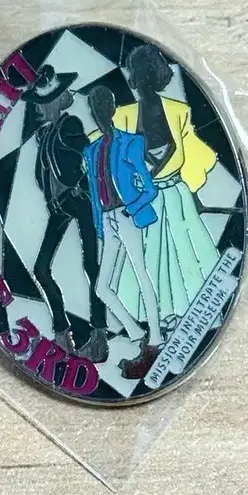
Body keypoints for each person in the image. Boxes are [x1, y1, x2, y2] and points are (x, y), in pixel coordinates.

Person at [111, 44, 220, 329]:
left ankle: (188, 314)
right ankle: (156, 317)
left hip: (176, 196)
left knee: (184, 254)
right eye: (137, 73)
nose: (140, 80)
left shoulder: (179, 111)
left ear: (154, 75)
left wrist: (193, 190)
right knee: (149, 257)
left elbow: (196, 155)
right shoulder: (122, 116)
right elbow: (112, 158)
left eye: (145, 73)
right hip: (142, 200)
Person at [23, 64, 109, 362]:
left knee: (92, 267)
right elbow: (44, 173)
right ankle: (62, 334)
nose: (37, 109)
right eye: (36, 103)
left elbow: (88, 157)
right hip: (60, 206)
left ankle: (99, 337)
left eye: (41, 102)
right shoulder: (44, 134)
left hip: (80, 202)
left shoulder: (69, 125)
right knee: (41, 268)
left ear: (56, 101)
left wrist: (79, 187)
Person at [84, 86, 163, 380]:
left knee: (141, 274)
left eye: (104, 107)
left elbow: (150, 189)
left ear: (112, 109)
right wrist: (100, 225)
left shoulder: (130, 143)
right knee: (101, 288)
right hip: (107, 220)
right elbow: (94, 193)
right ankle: (136, 331)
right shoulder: (91, 150)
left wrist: (132, 209)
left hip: (125, 215)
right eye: (95, 109)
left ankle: (155, 338)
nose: (100, 113)